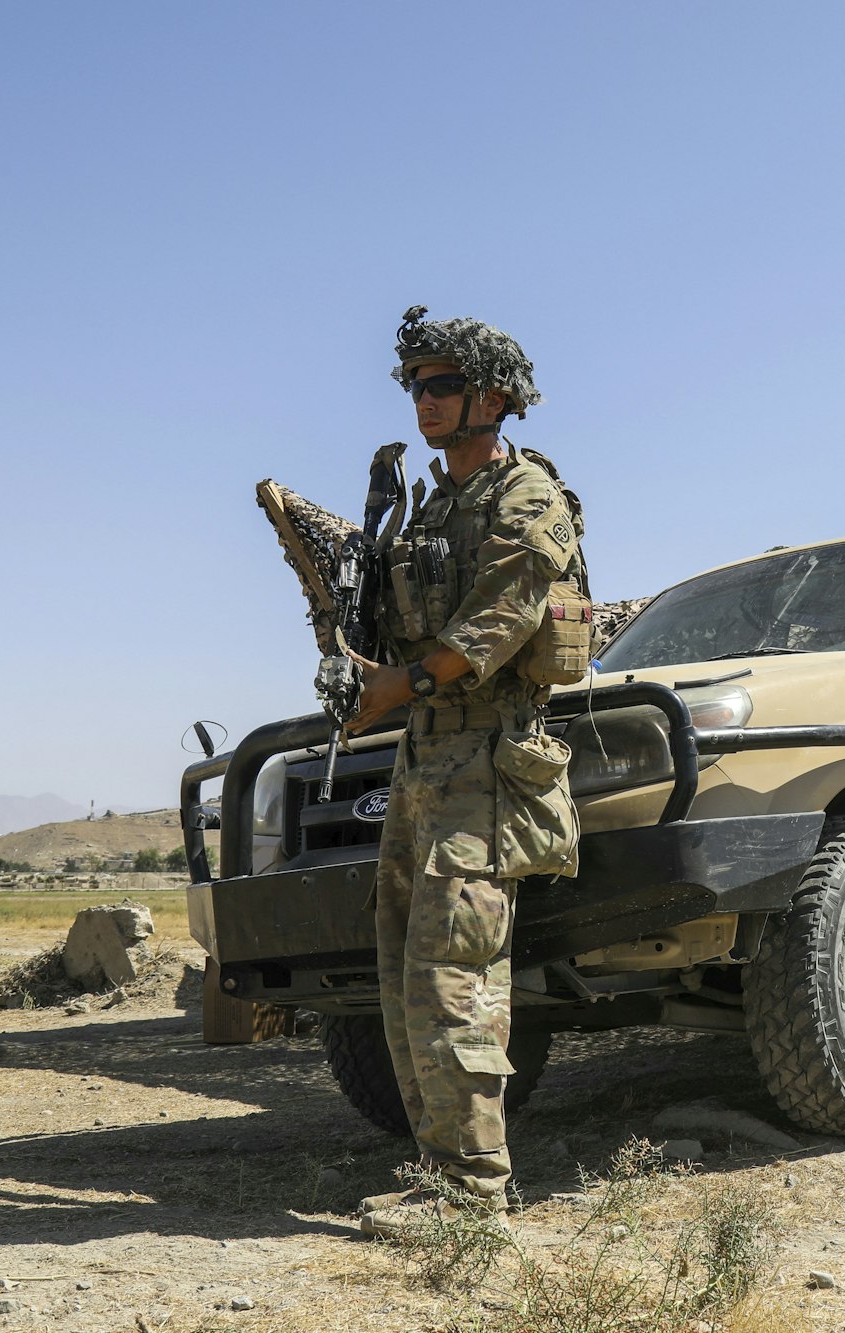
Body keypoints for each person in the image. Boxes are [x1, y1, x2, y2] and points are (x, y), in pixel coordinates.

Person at [344, 307, 583, 1236]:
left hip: (488, 758)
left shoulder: (527, 499)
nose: (425, 402)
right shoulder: (434, 504)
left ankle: (473, 1196)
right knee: (405, 974)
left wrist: (396, 685)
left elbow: (496, 625)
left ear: (492, 398)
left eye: (442, 386)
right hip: (425, 757)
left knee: (456, 976)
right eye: (416, 387)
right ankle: (438, 1174)